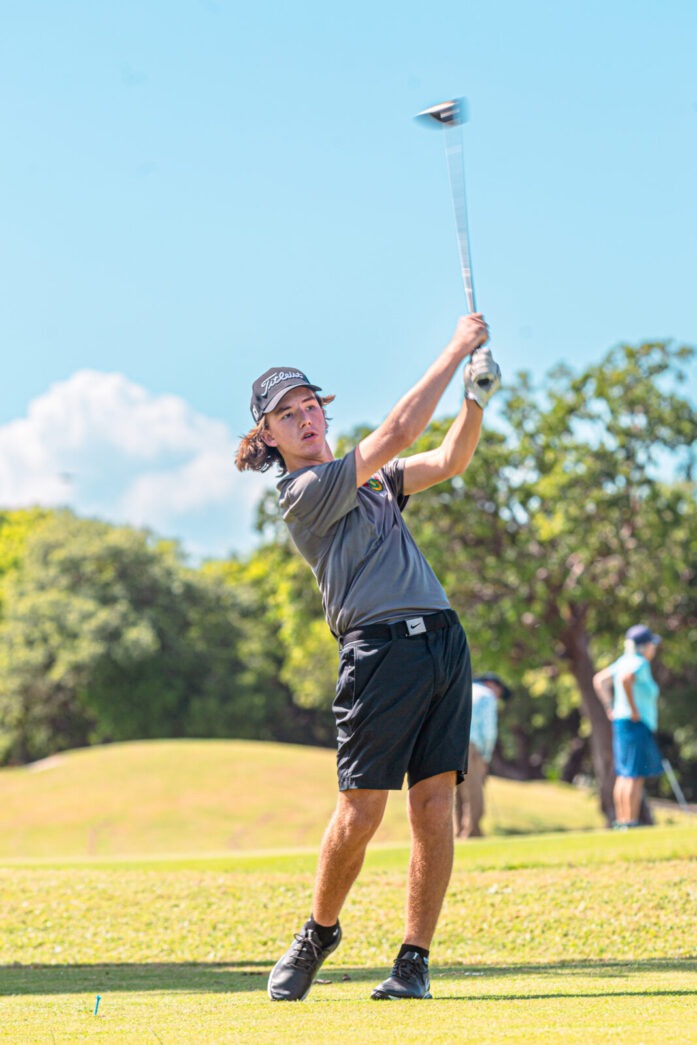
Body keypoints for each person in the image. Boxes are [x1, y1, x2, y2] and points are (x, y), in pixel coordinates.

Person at [236, 314, 501, 1001]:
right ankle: (318, 931)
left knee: (435, 803)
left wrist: (474, 399)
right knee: (361, 811)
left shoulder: (377, 480)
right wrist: (455, 349)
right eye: (287, 415)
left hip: (442, 641)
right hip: (378, 652)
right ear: (268, 436)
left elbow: (449, 459)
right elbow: (399, 432)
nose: (305, 419)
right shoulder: (305, 492)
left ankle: (413, 960)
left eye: (310, 406)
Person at [592, 624, 663, 828]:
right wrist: (633, 709)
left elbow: (599, 680)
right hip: (635, 723)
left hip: (622, 723)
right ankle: (630, 821)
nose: (654, 649)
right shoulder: (639, 663)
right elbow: (625, 680)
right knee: (634, 774)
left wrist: (610, 707)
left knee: (625, 774)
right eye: (652, 645)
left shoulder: (623, 661)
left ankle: (623, 822)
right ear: (645, 646)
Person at [453, 672, 511, 838]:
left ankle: (458, 831)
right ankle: (472, 832)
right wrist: (485, 757)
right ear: (491, 684)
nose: (498, 696)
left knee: (457, 790)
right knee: (474, 790)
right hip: (471, 745)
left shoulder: (461, 689)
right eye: (499, 692)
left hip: (450, 743)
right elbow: (488, 732)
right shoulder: (487, 696)